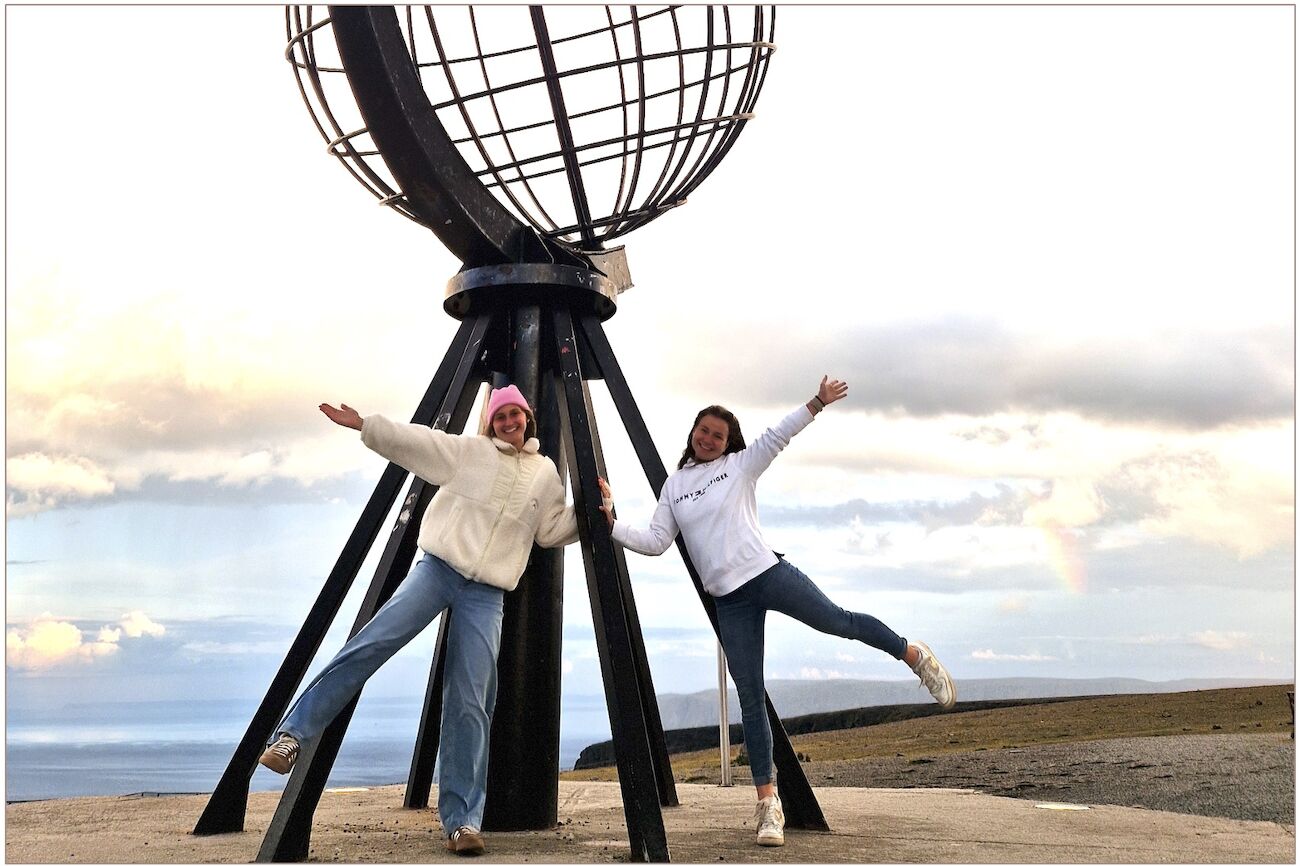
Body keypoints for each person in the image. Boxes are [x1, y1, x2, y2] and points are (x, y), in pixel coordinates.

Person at [599, 376, 955, 848]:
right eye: (703, 431)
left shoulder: (739, 466)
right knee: (750, 696)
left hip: (768, 574)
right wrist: (612, 522)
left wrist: (817, 403)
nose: (708, 439)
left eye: (718, 435)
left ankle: (913, 655)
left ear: (728, 442)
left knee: (838, 621)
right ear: (693, 432)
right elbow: (656, 540)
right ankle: (769, 806)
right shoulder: (675, 486)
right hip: (729, 601)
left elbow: (777, 436)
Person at [259, 384, 578, 857]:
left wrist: (596, 514)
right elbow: (418, 443)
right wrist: (365, 425)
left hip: (487, 592)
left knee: (471, 701)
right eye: (501, 416)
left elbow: (550, 529)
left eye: (515, 414)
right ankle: (291, 735)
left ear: (527, 417)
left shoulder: (545, 474)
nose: (509, 422)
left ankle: (462, 822)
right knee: (373, 642)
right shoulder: (470, 453)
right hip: (438, 570)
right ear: (491, 422)